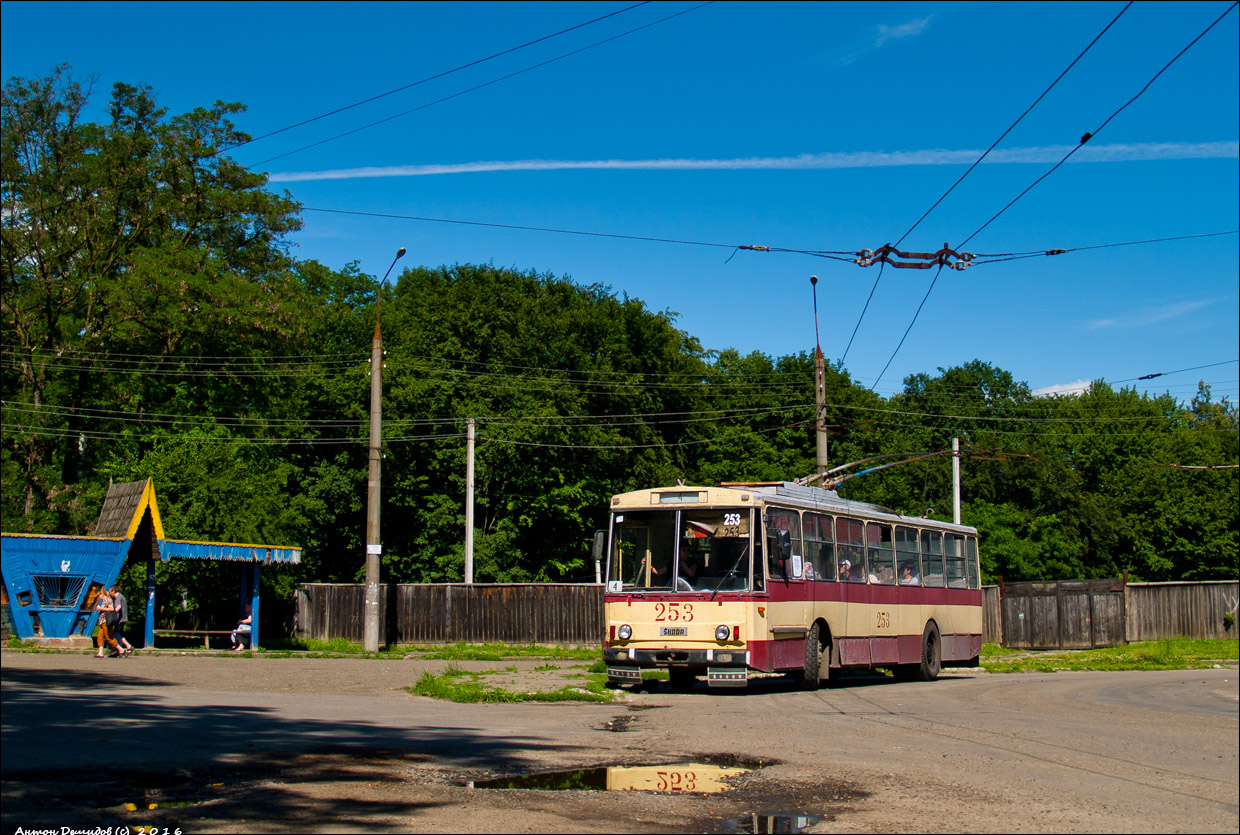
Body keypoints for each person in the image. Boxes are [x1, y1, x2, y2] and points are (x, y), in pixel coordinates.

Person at [94, 589, 121, 658]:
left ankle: (121, 650)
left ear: (102, 594)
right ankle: (100, 653)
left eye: (99, 595)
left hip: (106, 621)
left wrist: (101, 609)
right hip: (102, 621)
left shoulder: (107, 600)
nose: (98, 597)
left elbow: (111, 609)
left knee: (108, 637)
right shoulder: (103, 601)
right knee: (100, 637)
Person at [109, 584, 134, 656]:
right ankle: (127, 647)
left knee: (116, 633)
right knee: (119, 633)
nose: (110, 594)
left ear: (113, 591)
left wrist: (113, 613)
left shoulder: (118, 597)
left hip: (120, 619)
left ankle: (126, 647)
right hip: (122, 618)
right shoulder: (121, 596)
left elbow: (118, 606)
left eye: (110, 592)